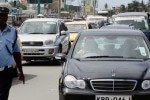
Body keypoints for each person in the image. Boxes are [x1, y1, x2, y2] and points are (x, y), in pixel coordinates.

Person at [0, 3, 25, 100]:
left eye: (4, 16)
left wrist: (21, 71)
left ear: (7, 17)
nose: (2, 18)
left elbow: (16, 52)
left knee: (3, 97)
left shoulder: (13, 32)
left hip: (6, 72)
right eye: (0, 15)